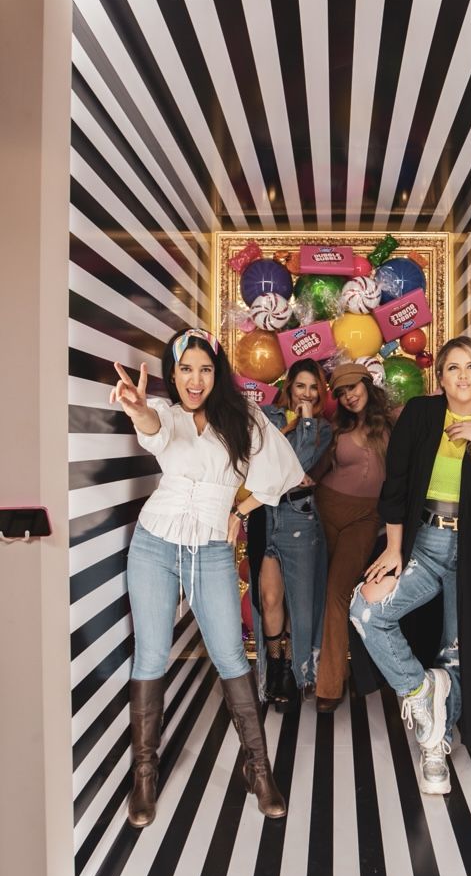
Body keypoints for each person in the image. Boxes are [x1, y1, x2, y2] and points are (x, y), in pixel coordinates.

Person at [109, 327, 305, 827]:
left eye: (205, 369)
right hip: (154, 545)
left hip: (212, 551)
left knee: (230, 656)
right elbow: (153, 428)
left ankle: (257, 768)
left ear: (216, 375)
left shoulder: (244, 420)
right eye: (185, 369)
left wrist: (241, 508)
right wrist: (136, 407)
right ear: (173, 375)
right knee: (151, 653)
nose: (195, 379)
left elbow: (285, 474)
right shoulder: (169, 416)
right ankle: (144, 775)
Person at [350, 336, 471, 795]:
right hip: (426, 544)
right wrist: (393, 550)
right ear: (441, 377)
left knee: (456, 652)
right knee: (366, 610)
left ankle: (436, 745)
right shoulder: (422, 414)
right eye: (453, 368)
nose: (463, 376)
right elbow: (397, 484)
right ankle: (420, 691)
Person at [249, 358, 332, 709]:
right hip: (263, 515)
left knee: (300, 602)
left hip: (299, 518)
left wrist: (306, 420)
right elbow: (257, 459)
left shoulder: (323, 428)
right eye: (301, 386)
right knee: (269, 599)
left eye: (314, 387)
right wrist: (292, 424)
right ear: (289, 387)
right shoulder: (266, 416)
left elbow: (298, 460)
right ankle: (278, 669)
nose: (307, 393)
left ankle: (299, 674)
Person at [313, 362, 396, 712]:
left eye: (353, 387)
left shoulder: (394, 419)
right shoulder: (336, 428)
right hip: (326, 509)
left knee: (337, 591)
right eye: (341, 392)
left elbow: (440, 399)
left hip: (366, 517)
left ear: (367, 383)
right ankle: (322, 671)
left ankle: (329, 686)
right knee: (318, 592)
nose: (348, 396)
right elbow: (314, 470)